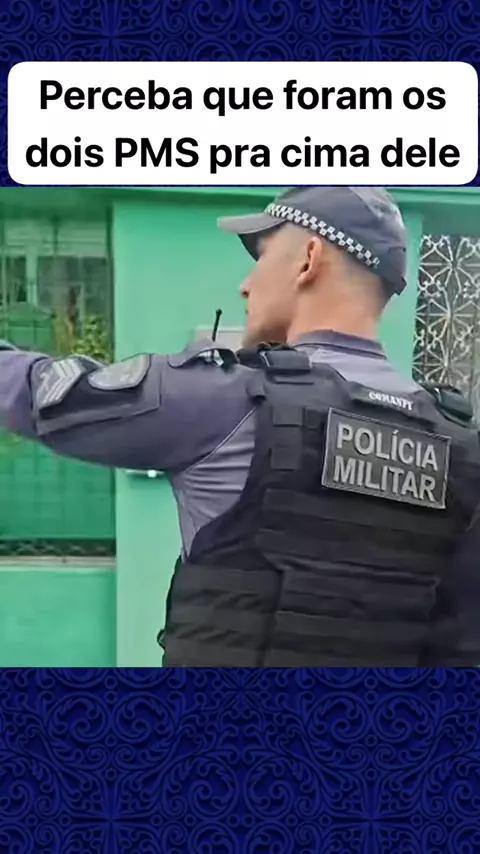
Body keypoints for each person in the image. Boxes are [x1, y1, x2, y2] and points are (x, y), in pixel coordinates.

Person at [0, 186, 479, 667]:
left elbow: (39, 395)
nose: (245, 286)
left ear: (308, 259)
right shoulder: (462, 450)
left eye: (262, 256)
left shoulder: (228, 399)